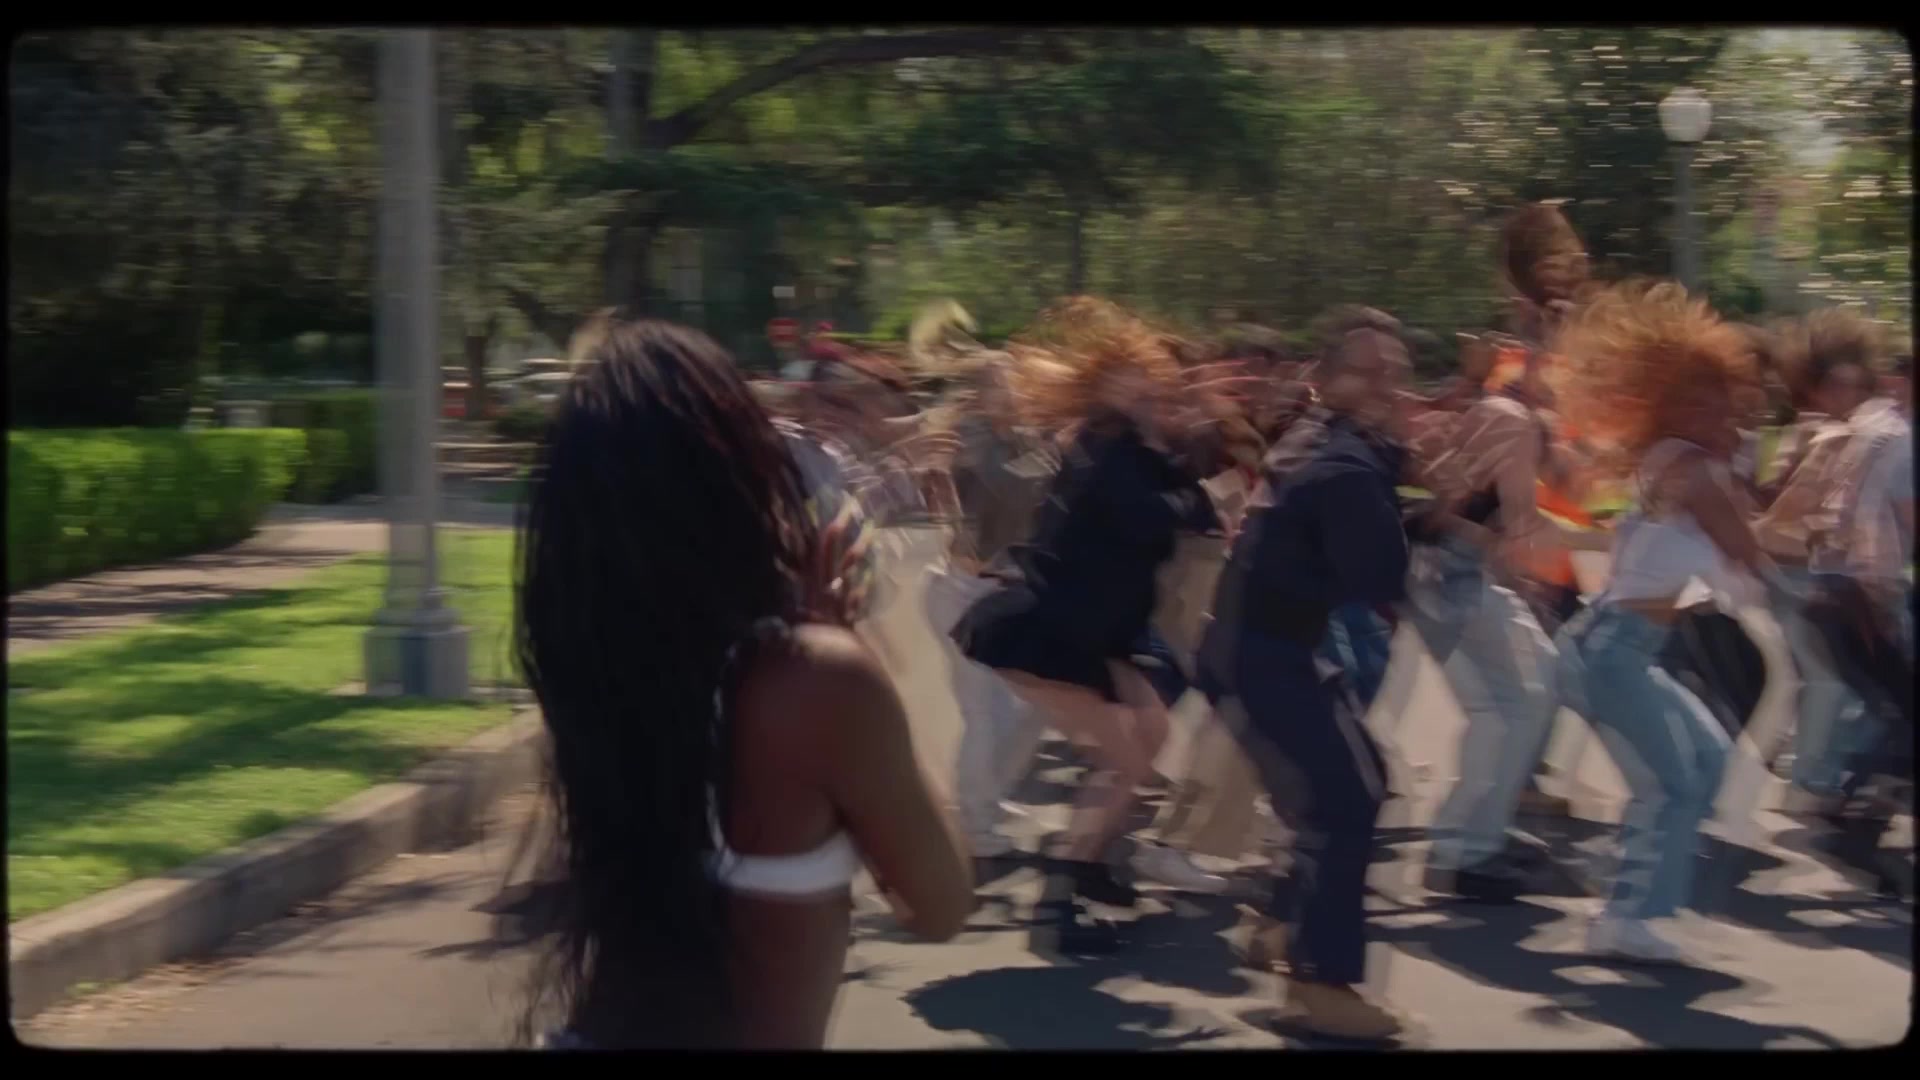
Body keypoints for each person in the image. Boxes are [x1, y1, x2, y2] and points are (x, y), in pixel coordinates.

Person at [515, 320, 972, 1049]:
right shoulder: (815, 680)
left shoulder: (601, 671)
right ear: (734, 475)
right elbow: (941, 903)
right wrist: (847, 645)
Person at [951, 298, 1220, 953]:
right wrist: (1185, 483)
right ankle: (1057, 905)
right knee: (1123, 761)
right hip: (1048, 626)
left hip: (1096, 631)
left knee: (1150, 731)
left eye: (1155, 386)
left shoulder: (1137, 451)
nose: (1155, 397)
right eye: (1139, 387)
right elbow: (1156, 516)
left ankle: (1092, 863)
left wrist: (1185, 458)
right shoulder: (1102, 450)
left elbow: (1197, 508)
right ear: (1104, 391)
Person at [1197, 306, 1416, 1042]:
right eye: (1367, 371)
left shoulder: (1322, 437)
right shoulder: (1343, 464)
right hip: (1261, 655)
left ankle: (1280, 924)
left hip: (1268, 647)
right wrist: (1446, 501)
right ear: (1322, 378)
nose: (1386, 384)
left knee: (1359, 784)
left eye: (1396, 372)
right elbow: (1381, 576)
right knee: (1342, 801)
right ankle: (1320, 988)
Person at [1550, 280, 1782, 965]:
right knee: (1674, 784)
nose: (1719, 414)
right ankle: (1629, 916)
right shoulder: (1696, 473)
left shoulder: (1671, 461)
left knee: (1708, 760)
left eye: (1724, 401)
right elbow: (1748, 557)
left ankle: (1646, 899)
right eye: (1699, 403)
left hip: (1620, 646)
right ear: (1666, 406)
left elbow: (1722, 566)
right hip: (1614, 651)